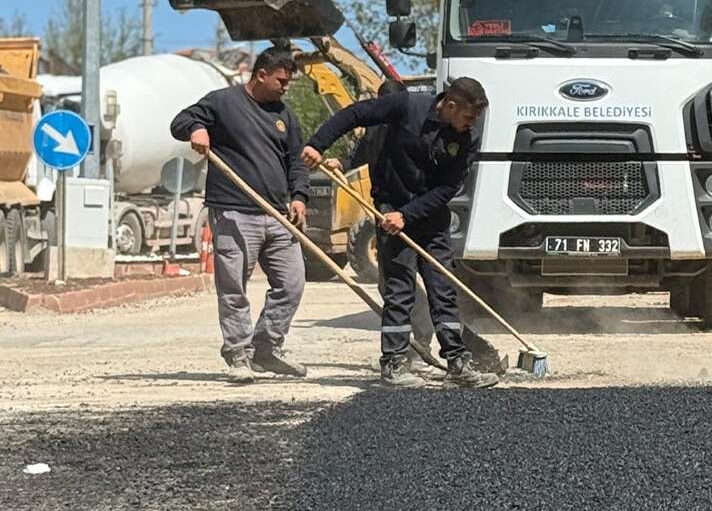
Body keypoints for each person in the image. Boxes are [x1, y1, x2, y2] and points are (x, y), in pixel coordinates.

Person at [301, 78, 498, 389]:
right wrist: (317, 143)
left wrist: (408, 216)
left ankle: (457, 362)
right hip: (389, 210)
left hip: (429, 218)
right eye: (469, 116)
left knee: (442, 289)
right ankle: (393, 364)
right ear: (450, 105)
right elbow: (354, 115)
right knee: (399, 290)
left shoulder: (467, 137)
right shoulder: (407, 106)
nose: (473, 124)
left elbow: (448, 187)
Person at [170, 47, 310, 384]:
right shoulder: (223, 102)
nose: (285, 87)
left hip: (278, 215)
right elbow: (180, 122)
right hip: (233, 211)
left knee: (292, 284)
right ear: (261, 75)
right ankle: (238, 354)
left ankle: (266, 347)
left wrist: (300, 198)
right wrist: (197, 130)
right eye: (281, 80)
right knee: (233, 288)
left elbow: (295, 161)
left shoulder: (284, 115)